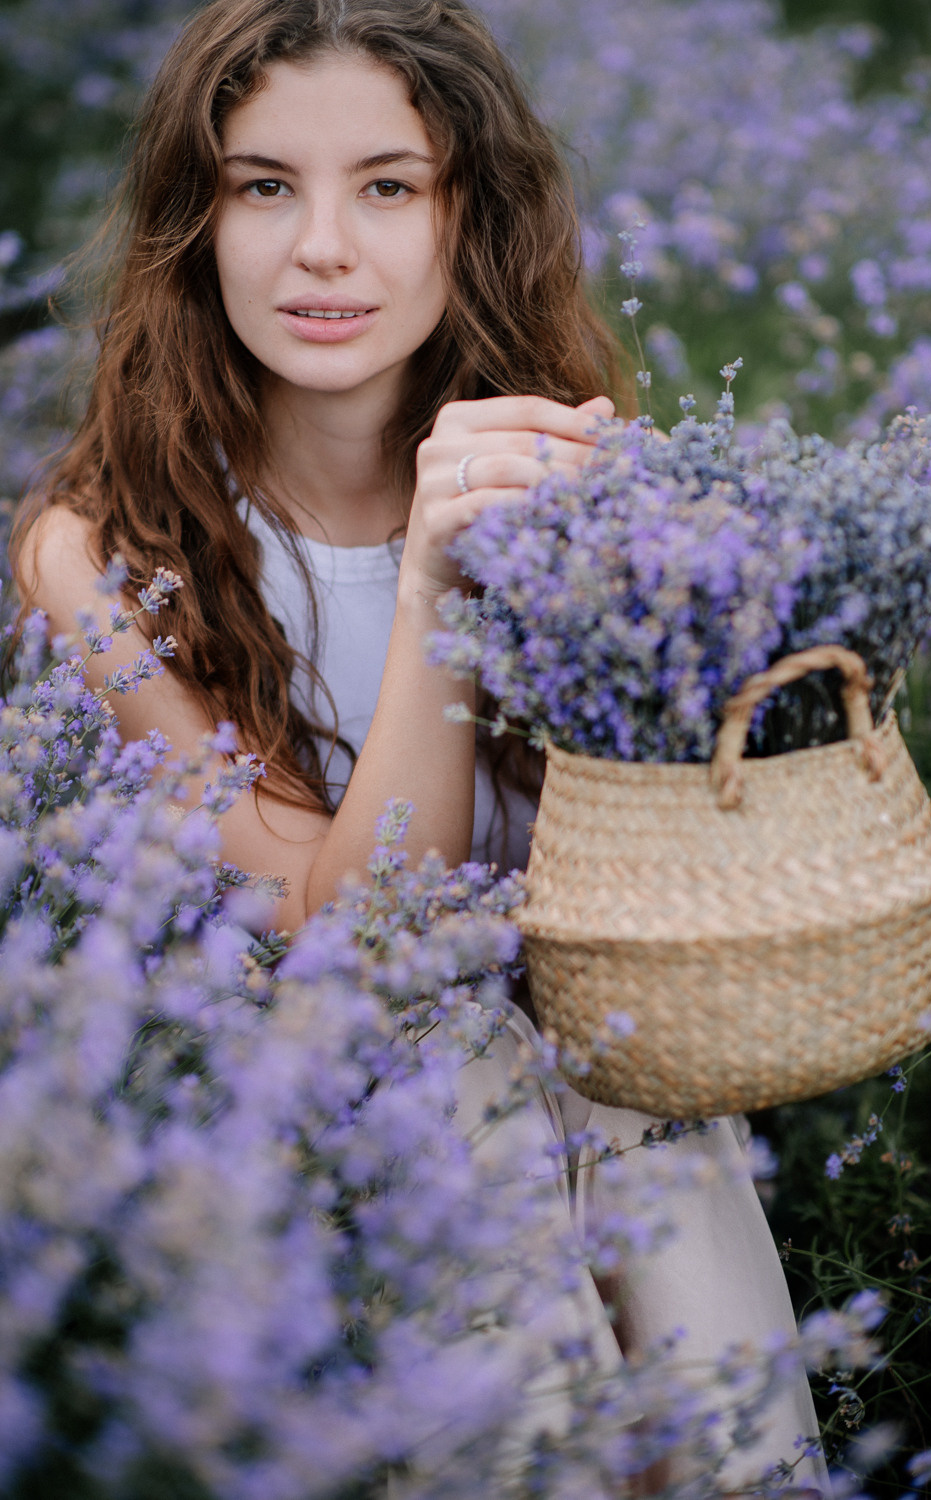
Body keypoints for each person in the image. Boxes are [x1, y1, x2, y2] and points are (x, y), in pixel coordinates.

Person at [12, 0, 827, 1490]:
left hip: (612, 1096)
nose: (323, 247)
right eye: (265, 185)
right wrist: (435, 588)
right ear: (194, 225)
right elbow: (363, 946)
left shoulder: (556, 468)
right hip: (332, 1140)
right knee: (457, 1056)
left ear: (469, 216)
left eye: (387, 186)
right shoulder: (97, 556)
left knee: (611, 1074)